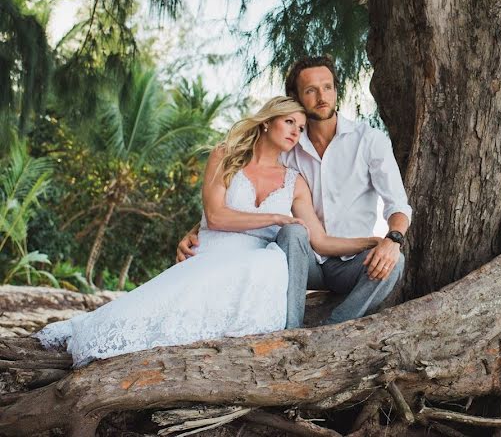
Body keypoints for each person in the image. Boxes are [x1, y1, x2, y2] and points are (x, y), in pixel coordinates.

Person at [35, 97, 382, 367]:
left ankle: (286, 339)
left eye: (301, 127)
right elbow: (215, 216)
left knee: (260, 273)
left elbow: (318, 241)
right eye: (289, 121)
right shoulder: (225, 156)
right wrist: (275, 219)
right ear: (266, 123)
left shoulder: (296, 182)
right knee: (148, 310)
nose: (295, 131)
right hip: (213, 249)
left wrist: (373, 241)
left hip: (256, 260)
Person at [177, 56, 411, 328]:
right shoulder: (288, 146)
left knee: (395, 263)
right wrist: (199, 229)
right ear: (297, 97)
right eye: (311, 90)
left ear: (336, 90)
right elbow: (247, 188)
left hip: (350, 261)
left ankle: (332, 329)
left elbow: (398, 204)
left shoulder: (368, 141)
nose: (321, 96)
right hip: (300, 257)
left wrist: (391, 239)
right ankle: (292, 330)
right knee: (293, 232)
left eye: (327, 87)